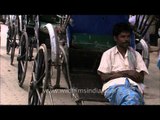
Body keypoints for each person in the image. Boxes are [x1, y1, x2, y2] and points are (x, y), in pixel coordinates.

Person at [97, 22, 149, 105]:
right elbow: (104, 77)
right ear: (115, 38)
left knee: (133, 97)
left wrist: (114, 74)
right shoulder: (108, 54)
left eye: (128, 36)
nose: (126, 39)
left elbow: (140, 78)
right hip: (114, 87)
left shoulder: (136, 55)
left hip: (134, 88)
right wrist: (127, 73)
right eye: (123, 37)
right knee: (130, 98)